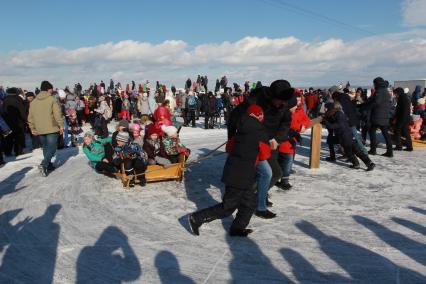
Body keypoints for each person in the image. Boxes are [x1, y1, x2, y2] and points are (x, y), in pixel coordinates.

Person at [188, 103, 264, 237]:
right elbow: (265, 148)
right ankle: (197, 218)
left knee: (249, 204)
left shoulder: (248, 130)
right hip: (237, 175)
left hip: (245, 174)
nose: (262, 118)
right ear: (253, 116)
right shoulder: (250, 131)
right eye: (260, 115)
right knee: (228, 208)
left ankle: (237, 228)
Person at [322, 101, 375, 171]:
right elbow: (333, 121)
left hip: (345, 136)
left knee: (355, 151)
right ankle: (357, 164)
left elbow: (336, 125)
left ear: (330, 108)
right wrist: (325, 119)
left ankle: (369, 163)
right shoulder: (336, 113)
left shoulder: (338, 114)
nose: (324, 109)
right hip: (345, 135)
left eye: (326, 107)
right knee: (350, 151)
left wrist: (326, 122)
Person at [28, 81, 64, 176]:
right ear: (48, 89)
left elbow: (30, 116)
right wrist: (61, 125)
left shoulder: (34, 101)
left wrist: (32, 127)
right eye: (51, 88)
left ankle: (48, 164)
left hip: (40, 129)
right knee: (52, 147)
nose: (52, 90)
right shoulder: (52, 99)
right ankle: (44, 164)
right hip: (51, 127)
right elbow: (57, 114)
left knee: (46, 147)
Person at [364, 77, 393, 157]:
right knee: (386, 134)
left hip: (377, 116)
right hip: (385, 116)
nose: (373, 85)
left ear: (377, 83)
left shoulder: (379, 91)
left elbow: (376, 102)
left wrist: (368, 106)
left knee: (372, 131)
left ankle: (373, 150)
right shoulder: (386, 91)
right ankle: (390, 151)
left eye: (374, 83)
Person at [2, 87, 27, 156]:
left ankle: (7, 152)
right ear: (16, 92)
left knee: (8, 137)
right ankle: (18, 151)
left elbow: (3, 111)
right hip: (18, 122)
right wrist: (25, 119)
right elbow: (22, 111)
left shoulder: (4, 100)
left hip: (7, 122)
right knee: (18, 137)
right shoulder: (18, 99)